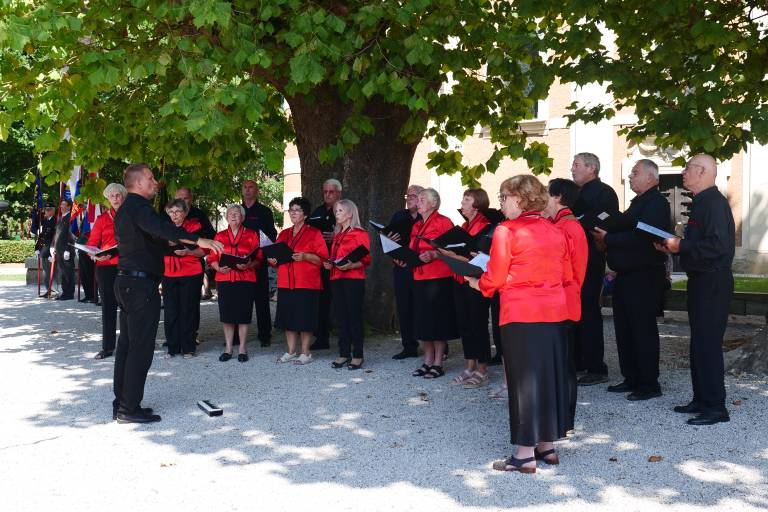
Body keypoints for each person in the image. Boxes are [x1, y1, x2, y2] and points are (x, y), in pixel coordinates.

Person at [467, 175, 570, 473]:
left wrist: (477, 283)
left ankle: (524, 454)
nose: (501, 203)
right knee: (548, 378)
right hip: (554, 313)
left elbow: (495, 278)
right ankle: (547, 446)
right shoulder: (555, 230)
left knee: (523, 382)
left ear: (519, 199)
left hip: (522, 313)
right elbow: (565, 274)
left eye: (503, 197)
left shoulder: (507, 231)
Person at [113, 163, 222, 424]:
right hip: (139, 286)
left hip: (128, 282)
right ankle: (128, 409)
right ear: (138, 183)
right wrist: (198, 240)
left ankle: (123, 403)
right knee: (139, 348)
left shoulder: (127, 209)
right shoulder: (139, 207)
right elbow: (162, 229)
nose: (155, 182)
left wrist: (180, 249)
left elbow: (154, 243)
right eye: (150, 178)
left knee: (127, 346)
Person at [656, 154, 735, 426]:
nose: (683, 172)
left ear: (702, 171)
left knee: (708, 344)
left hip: (713, 281)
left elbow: (719, 247)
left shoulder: (714, 203)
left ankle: (716, 407)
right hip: (702, 280)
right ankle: (702, 399)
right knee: (699, 343)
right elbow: (701, 244)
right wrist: (673, 248)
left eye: (688, 167)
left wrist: (681, 246)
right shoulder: (702, 202)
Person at [593, 159, 670, 401]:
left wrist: (609, 238)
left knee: (642, 330)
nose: (630, 176)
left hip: (644, 276)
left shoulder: (657, 203)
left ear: (651, 177)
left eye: (635, 173)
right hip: (626, 276)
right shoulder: (638, 203)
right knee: (625, 329)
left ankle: (649, 383)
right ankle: (632, 377)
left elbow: (644, 237)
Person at [570, 152, 619, 385]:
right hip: (572, 257)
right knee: (575, 309)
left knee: (589, 309)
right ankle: (578, 360)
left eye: (577, 164)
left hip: (591, 255)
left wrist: (577, 222)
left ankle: (596, 367)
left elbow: (604, 218)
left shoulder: (604, 192)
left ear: (592, 168)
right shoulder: (574, 192)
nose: (572, 168)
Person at [545, 178, 588, 430]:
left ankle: (566, 420)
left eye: (546, 193)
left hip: (564, 302)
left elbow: (569, 271)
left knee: (564, 365)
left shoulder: (567, 227)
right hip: (559, 301)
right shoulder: (559, 224)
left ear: (558, 197)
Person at [439, 188, 493, 388]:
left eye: (467, 199)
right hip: (459, 278)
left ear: (477, 204)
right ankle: (469, 366)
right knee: (465, 324)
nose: (462, 203)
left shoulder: (486, 227)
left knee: (478, 324)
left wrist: (452, 255)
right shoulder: (463, 225)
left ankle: (482, 369)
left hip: (476, 281)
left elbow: (480, 258)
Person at [405, 188, 458, 379]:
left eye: (422, 199)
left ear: (433, 203)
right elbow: (412, 249)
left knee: (438, 320)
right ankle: (427, 360)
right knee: (423, 320)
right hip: (419, 277)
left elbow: (453, 249)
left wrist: (435, 254)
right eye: (417, 199)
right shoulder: (417, 225)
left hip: (439, 278)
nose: (417, 202)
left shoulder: (444, 222)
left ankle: (438, 362)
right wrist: (408, 257)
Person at [269, 197, 329, 365]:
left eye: (297, 210)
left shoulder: (314, 233)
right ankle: (290, 351)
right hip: (286, 281)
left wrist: (306, 256)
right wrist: (273, 260)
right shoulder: (284, 233)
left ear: (305, 214)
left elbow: (323, 260)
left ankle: (306, 353)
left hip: (306, 282)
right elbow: (276, 255)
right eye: (291, 210)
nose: (293, 213)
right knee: (288, 318)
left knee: (305, 319)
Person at [207, 204, 262, 363]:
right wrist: (218, 268)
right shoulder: (220, 235)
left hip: (245, 279)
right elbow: (212, 258)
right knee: (227, 315)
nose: (233, 216)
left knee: (243, 315)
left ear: (242, 218)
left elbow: (259, 258)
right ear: (226, 217)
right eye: (230, 213)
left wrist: (249, 265)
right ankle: (228, 348)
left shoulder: (251, 234)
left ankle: (243, 348)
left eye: (237, 214)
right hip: (225, 279)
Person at [324, 199, 371, 370]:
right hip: (336, 278)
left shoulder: (359, 233)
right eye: (336, 211)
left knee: (354, 317)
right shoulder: (337, 235)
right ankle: (344, 353)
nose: (337, 213)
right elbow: (335, 257)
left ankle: (357, 355)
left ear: (350, 214)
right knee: (341, 317)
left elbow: (367, 259)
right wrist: (329, 263)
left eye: (340, 211)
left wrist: (351, 265)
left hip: (353, 279)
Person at [162, 199, 206, 359]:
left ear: (185, 212)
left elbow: (204, 251)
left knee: (188, 309)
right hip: (169, 272)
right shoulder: (164, 228)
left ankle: (188, 347)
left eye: (178, 211)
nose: (174, 215)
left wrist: (188, 252)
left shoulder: (194, 226)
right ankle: (172, 347)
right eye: (171, 212)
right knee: (170, 310)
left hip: (191, 271)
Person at [89, 183, 126, 360]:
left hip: (127, 266)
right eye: (112, 196)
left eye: (118, 195)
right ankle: (108, 347)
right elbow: (92, 244)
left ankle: (129, 344)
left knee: (128, 307)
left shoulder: (131, 216)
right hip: (105, 267)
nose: (115, 198)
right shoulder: (102, 219)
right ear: (108, 199)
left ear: (123, 197)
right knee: (108, 307)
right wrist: (95, 255)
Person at [387, 184, 424, 359]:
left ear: (422, 198)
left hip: (422, 268)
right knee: (404, 306)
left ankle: (439, 348)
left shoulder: (426, 217)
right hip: (401, 267)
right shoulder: (399, 216)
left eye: (412, 196)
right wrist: (392, 251)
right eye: (407, 196)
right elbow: (386, 241)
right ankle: (409, 347)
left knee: (425, 306)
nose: (409, 199)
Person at [174, 187, 215, 338]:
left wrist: (196, 249)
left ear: (191, 198)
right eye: (179, 198)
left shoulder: (199, 215)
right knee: (173, 304)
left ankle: (191, 335)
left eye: (185, 198)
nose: (182, 201)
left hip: (193, 264)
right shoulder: (167, 214)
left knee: (191, 303)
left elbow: (210, 237)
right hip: (172, 266)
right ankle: (174, 336)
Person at [241, 179, 277, 347]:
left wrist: (262, 253)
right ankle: (238, 336)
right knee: (241, 300)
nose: (248, 190)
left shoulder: (264, 211)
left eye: (251, 187)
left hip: (259, 261)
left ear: (257, 191)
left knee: (262, 300)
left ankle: (265, 334)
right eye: (245, 187)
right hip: (240, 263)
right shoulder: (237, 211)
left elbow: (271, 235)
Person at [309, 178, 342, 350]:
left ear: (339, 193)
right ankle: (322, 338)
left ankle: (347, 339)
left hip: (341, 264)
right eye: (325, 192)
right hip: (320, 264)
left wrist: (336, 236)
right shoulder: (318, 211)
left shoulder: (344, 210)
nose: (328, 195)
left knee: (342, 302)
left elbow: (355, 233)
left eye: (331, 192)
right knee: (321, 302)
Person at [53, 198, 76, 300]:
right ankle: (65, 292)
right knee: (63, 272)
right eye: (61, 204)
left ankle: (69, 294)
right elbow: (57, 234)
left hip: (66, 250)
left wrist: (67, 249)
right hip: (59, 249)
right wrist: (53, 247)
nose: (61, 206)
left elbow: (70, 235)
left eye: (64, 205)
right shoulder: (61, 217)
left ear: (69, 207)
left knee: (68, 272)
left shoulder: (70, 218)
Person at [36, 203, 57, 297]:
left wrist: (52, 252)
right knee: (45, 271)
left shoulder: (55, 220)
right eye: (45, 210)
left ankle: (53, 290)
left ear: (53, 211)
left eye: (48, 210)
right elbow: (42, 235)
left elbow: (55, 237)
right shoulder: (46, 220)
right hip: (44, 249)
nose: (46, 212)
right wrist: (37, 247)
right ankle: (48, 290)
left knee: (51, 271)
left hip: (50, 250)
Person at [77, 222, 99, 304]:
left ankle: (93, 296)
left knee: (90, 275)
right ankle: (87, 295)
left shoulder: (92, 217)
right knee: (83, 275)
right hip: (82, 249)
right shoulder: (85, 219)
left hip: (89, 249)